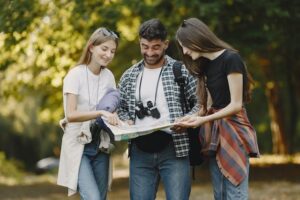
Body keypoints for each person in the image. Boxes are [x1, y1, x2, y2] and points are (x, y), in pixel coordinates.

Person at [174, 18, 260, 200]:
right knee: (219, 193)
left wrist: (202, 120)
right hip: (214, 135)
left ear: (196, 38)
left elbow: (235, 105)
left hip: (234, 132)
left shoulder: (231, 59)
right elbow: (208, 107)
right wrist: (189, 120)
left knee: (234, 193)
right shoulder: (205, 66)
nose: (185, 51)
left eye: (186, 46)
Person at [117, 18, 198, 200]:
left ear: (166, 44)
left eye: (155, 47)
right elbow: (120, 108)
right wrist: (125, 120)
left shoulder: (181, 71)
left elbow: (200, 104)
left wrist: (186, 120)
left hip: (174, 148)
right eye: (145, 46)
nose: (150, 52)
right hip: (139, 151)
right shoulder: (129, 76)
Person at [57, 27, 119, 200]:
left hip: (101, 144)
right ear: (91, 47)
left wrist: (120, 120)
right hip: (78, 144)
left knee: (101, 197)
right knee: (93, 197)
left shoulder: (109, 77)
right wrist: (99, 112)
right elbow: (71, 114)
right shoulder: (74, 75)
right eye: (104, 49)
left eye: (112, 51)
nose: (108, 54)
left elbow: (112, 108)